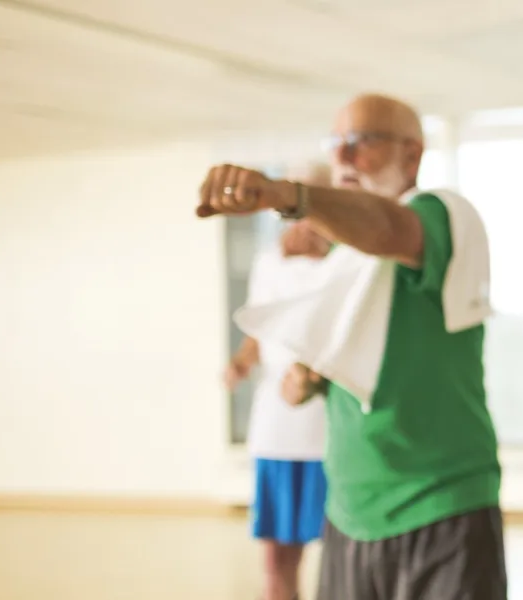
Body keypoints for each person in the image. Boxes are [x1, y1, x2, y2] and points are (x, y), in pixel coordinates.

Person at [197, 94, 505, 600]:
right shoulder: (342, 253)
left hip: (443, 504)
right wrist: (312, 378)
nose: (341, 157)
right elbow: (367, 350)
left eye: (361, 142)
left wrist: (288, 195)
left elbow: (387, 227)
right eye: (336, 142)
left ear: (412, 155)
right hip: (350, 510)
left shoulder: (444, 214)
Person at [224, 163, 334, 600]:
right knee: (276, 558)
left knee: (342, 559)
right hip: (276, 429)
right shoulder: (268, 262)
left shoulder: (346, 260)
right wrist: (240, 363)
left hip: (328, 430)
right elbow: (259, 328)